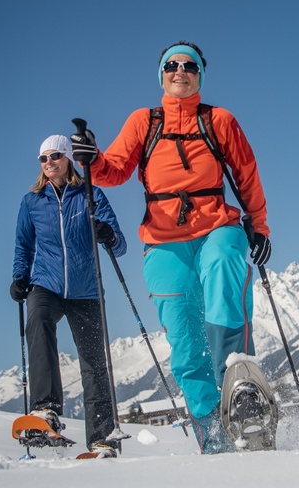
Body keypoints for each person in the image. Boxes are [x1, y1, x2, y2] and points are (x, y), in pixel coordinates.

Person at [69, 41, 271, 453]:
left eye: (189, 65)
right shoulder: (144, 121)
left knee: (224, 263)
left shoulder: (220, 120)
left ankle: (238, 381)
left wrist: (260, 228)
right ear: (161, 75)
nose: (181, 70)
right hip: (162, 242)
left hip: (217, 226)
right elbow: (115, 170)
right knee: (183, 342)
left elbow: (247, 174)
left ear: (200, 73)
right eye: (172, 65)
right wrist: (91, 160)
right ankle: (213, 435)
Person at [10, 134, 128, 457]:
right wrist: (19, 277)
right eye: (43, 159)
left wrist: (108, 234)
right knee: (37, 318)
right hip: (46, 285)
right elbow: (23, 246)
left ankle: (103, 438)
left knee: (93, 361)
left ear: (68, 159)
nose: (49, 163)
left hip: (85, 290)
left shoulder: (89, 195)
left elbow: (120, 244)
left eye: (55, 157)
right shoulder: (32, 202)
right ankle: (45, 409)